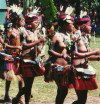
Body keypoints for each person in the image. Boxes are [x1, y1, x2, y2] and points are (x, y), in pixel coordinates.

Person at [12, 14, 45, 104]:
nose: (37, 22)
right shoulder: (24, 32)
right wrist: (38, 41)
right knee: (28, 85)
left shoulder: (35, 32)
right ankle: (20, 99)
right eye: (35, 21)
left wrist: (40, 48)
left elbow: (37, 47)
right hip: (26, 61)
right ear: (30, 22)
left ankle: (17, 99)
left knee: (29, 85)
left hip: (33, 61)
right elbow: (24, 46)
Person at [44, 21, 71, 104]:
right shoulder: (56, 36)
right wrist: (62, 56)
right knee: (62, 89)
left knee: (63, 90)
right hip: (57, 66)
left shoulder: (67, 35)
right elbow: (50, 51)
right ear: (64, 25)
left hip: (66, 65)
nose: (72, 25)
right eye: (70, 24)